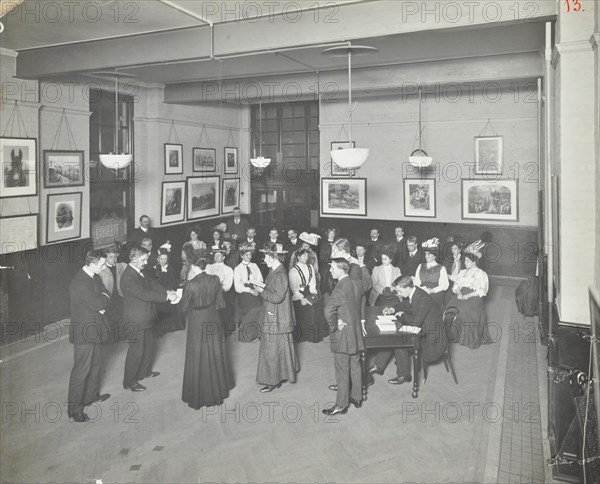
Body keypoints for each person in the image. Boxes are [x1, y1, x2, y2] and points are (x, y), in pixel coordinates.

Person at [180, 250, 234, 409]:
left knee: (198, 354)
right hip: (213, 316)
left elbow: (183, 307)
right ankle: (218, 390)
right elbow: (221, 303)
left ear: (195, 268)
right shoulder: (216, 280)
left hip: (197, 319)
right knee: (215, 351)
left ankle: (200, 394)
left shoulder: (191, 284)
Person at [370, 275, 445, 384]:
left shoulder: (423, 298)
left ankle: (403, 375)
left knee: (399, 341)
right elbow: (405, 304)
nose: (399, 294)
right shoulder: (415, 292)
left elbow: (415, 322)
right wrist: (393, 309)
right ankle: (379, 366)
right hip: (423, 327)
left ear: (408, 288)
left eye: (400, 291)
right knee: (392, 334)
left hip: (431, 337)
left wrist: (402, 315)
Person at [120, 247, 177, 392]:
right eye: (143, 260)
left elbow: (152, 284)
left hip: (146, 316)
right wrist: (166, 297)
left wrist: (166, 291)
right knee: (136, 351)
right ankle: (129, 381)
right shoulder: (128, 277)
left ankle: (144, 372)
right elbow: (143, 294)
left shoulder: (140, 271)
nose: (146, 262)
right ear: (134, 259)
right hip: (136, 320)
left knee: (148, 346)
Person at [67, 249, 112, 422]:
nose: (103, 268)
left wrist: (102, 299)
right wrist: (102, 300)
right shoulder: (79, 283)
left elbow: (105, 293)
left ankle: (90, 396)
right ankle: (75, 410)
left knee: (96, 364)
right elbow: (98, 301)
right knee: (81, 370)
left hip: (96, 327)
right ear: (92, 264)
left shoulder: (94, 275)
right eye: (101, 265)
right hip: (84, 333)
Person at [255, 243, 299, 392]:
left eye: (266, 256)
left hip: (274, 316)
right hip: (279, 316)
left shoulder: (279, 274)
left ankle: (272, 381)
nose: (264, 259)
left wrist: (261, 291)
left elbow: (276, 297)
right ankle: (282, 374)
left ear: (273, 257)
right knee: (281, 347)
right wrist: (264, 287)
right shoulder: (278, 271)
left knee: (270, 349)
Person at [322, 258, 363, 416]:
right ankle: (357, 397)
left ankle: (341, 404)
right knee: (355, 365)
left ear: (341, 269)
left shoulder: (340, 287)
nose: (330, 271)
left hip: (344, 334)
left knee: (342, 370)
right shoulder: (355, 283)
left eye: (332, 268)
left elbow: (328, 310)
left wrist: (333, 325)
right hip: (355, 330)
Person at [446, 249, 490, 349]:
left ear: (473, 261)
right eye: (464, 260)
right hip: (461, 294)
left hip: (474, 296)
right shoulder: (462, 272)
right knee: (450, 307)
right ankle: (453, 335)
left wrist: (468, 296)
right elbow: (456, 286)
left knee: (465, 309)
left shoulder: (481, 273)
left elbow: (482, 290)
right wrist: (459, 293)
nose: (465, 263)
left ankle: (467, 339)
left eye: (467, 261)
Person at [289, 248, 329, 343]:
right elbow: (294, 288)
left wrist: (313, 294)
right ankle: (305, 335)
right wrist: (302, 298)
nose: (306, 257)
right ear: (298, 257)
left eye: (307, 255)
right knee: (308, 310)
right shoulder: (293, 270)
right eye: (303, 255)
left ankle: (315, 335)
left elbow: (312, 283)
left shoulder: (310, 267)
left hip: (309, 292)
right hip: (299, 295)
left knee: (317, 307)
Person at [233, 243, 264, 342]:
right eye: (246, 255)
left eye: (250, 254)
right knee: (255, 308)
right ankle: (247, 334)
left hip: (255, 289)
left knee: (264, 306)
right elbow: (237, 286)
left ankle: (259, 333)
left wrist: (257, 289)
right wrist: (250, 290)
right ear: (242, 255)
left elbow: (260, 279)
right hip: (244, 292)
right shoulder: (237, 268)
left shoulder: (254, 266)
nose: (249, 257)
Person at [414, 238, 449, 309]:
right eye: (425, 254)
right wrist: (421, 290)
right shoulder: (420, 266)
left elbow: (444, 285)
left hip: (435, 294)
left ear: (434, 256)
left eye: (429, 254)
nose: (426, 256)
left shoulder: (441, 268)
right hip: (421, 292)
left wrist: (433, 290)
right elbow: (416, 282)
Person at [154, 248, 183, 333]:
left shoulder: (171, 268)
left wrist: (173, 288)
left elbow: (173, 280)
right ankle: (164, 327)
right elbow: (157, 283)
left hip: (171, 288)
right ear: (158, 259)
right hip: (161, 291)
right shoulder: (156, 269)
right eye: (161, 259)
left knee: (175, 301)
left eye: (165, 259)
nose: (163, 261)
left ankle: (174, 326)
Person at [207, 247, 235, 333]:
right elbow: (206, 281)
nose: (216, 257)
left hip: (223, 294)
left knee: (223, 309)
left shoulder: (228, 269)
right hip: (209, 293)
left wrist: (218, 288)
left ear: (223, 257)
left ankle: (222, 330)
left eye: (219, 256)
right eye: (215, 255)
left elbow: (227, 286)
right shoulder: (209, 267)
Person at [98, 244, 126, 331]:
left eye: (115, 257)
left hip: (120, 296)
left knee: (122, 316)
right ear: (105, 257)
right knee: (111, 320)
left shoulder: (122, 266)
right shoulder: (101, 270)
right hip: (109, 298)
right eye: (110, 257)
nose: (114, 259)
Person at [443, 236, 463, 306]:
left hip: (461, 281)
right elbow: (445, 272)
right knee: (447, 296)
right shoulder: (448, 259)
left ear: (460, 250)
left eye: (455, 249)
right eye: (452, 249)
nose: (453, 251)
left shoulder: (464, 260)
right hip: (450, 281)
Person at [319, 227, 338, 295]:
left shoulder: (337, 243)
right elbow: (322, 257)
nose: (332, 235)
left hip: (336, 266)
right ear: (327, 234)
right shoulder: (324, 244)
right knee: (324, 284)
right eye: (330, 233)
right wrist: (330, 261)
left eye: (333, 233)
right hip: (326, 267)